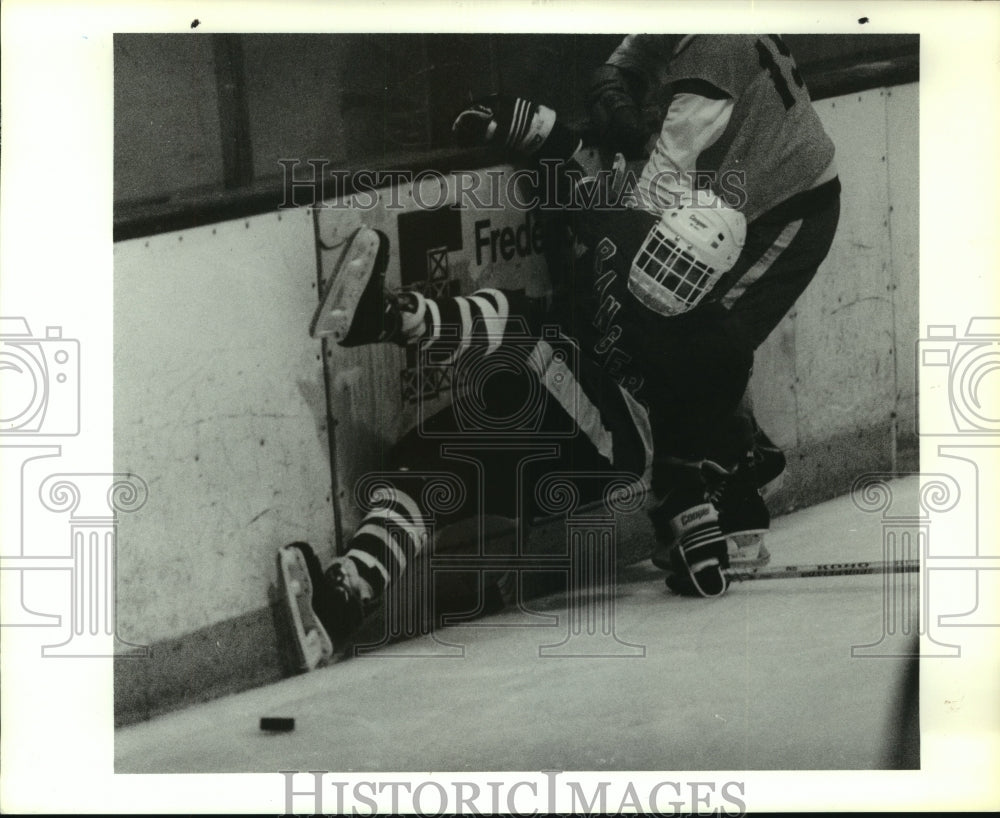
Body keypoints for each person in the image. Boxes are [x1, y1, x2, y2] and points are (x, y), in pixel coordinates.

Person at [279, 92, 757, 663]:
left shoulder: (722, 354)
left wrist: (694, 535)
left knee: (520, 323)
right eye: (670, 252)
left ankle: (389, 318)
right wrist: (518, 123)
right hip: (536, 401)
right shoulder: (623, 229)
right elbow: (573, 169)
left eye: (688, 270)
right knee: (422, 466)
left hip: (606, 447)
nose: (668, 273)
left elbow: (680, 463)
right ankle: (343, 602)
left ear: (714, 287)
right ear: (660, 230)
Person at [587, 34, 842, 567]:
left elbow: (657, 189)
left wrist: (606, 238)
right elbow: (629, 58)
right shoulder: (699, 25)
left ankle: (740, 505)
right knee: (701, 342)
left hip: (787, 210)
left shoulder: (710, 54)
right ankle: (747, 463)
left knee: (709, 343)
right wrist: (617, 84)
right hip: (734, 215)